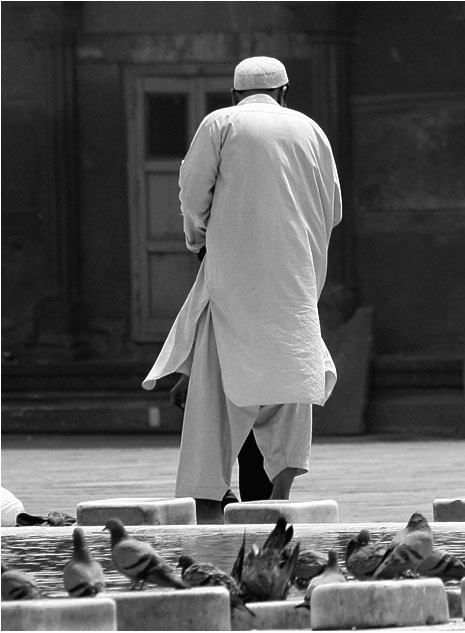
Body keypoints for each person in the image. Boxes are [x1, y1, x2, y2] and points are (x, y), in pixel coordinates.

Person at [143, 56, 342, 523]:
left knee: (214, 394)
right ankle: (279, 494)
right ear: (285, 92)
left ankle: (209, 507)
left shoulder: (222, 122)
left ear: (233, 94)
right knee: (289, 384)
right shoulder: (311, 131)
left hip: (235, 282)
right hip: (295, 285)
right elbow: (331, 209)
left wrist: (201, 238)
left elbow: (192, 194)